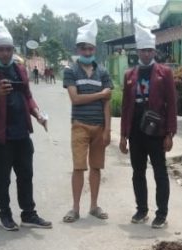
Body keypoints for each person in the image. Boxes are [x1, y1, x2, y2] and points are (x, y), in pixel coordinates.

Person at [0, 21, 51, 232]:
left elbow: (28, 97)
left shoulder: (19, 69)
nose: (5, 53)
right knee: (3, 176)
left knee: (26, 174)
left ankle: (28, 213)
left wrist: (38, 115)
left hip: (21, 131)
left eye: (8, 49)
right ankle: (5, 214)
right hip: (0, 135)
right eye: (1, 49)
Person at [119, 23, 177, 229]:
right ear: (138, 51)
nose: (146, 53)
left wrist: (170, 133)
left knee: (160, 172)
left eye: (149, 50)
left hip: (157, 131)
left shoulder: (165, 73)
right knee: (138, 172)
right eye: (143, 50)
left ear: (153, 51)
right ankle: (142, 209)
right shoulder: (129, 75)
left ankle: (161, 213)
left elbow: (172, 103)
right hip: (136, 131)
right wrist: (123, 135)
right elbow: (126, 106)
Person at [62, 21, 112, 223]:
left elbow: (107, 104)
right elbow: (75, 99)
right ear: (78, 49)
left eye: (90, 47)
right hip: (80, 125)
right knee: (78, 168)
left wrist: (108, 130)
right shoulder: (71, 71)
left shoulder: (103, 72)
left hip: (99, 127)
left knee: (96, 168)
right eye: (84, 47)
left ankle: (93, 206)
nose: (87, 50)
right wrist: (100, 94)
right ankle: (75, 208)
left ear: (95, 49)